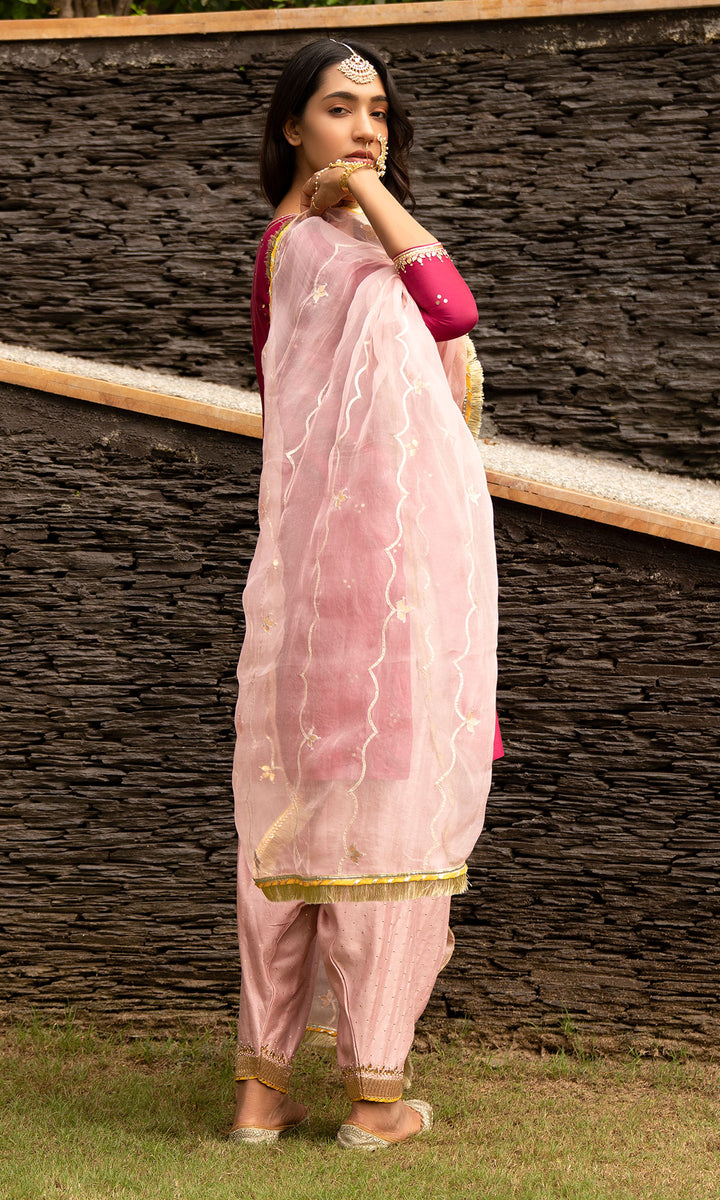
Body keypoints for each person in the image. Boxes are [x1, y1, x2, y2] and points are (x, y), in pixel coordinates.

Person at [230, 38, 502, 1150]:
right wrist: (374, 197)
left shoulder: (293, 248)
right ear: (292, 125)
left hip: (308, 598)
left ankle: (261, 1098)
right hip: (381, 599)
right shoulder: (323, 251)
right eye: (340, 109)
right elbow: (451, 304)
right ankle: (376, 1104)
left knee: (295, 828)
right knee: (385, 824)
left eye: (379, 111)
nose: (367, 129)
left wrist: (350, 199)